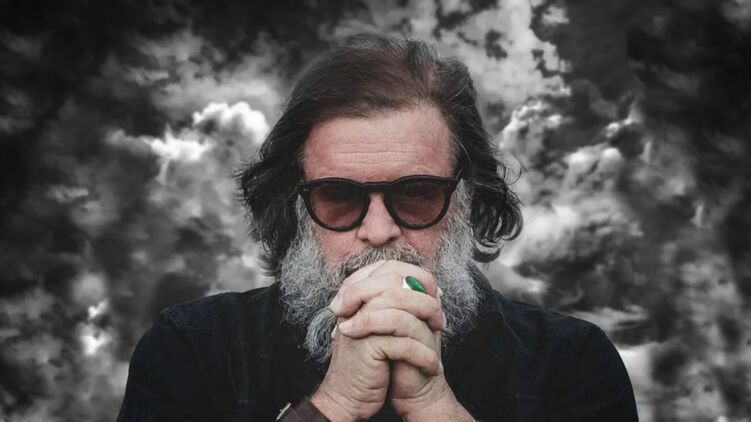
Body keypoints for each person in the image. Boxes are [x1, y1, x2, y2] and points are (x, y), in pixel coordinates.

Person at [117, 34, 638, 421]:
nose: (379, 229)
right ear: (294, 205)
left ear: (467, 199)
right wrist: (335, 403)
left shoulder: (570, 363)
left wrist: (433, 406)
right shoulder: (192, 350)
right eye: (339, 197)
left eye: (416, 194)